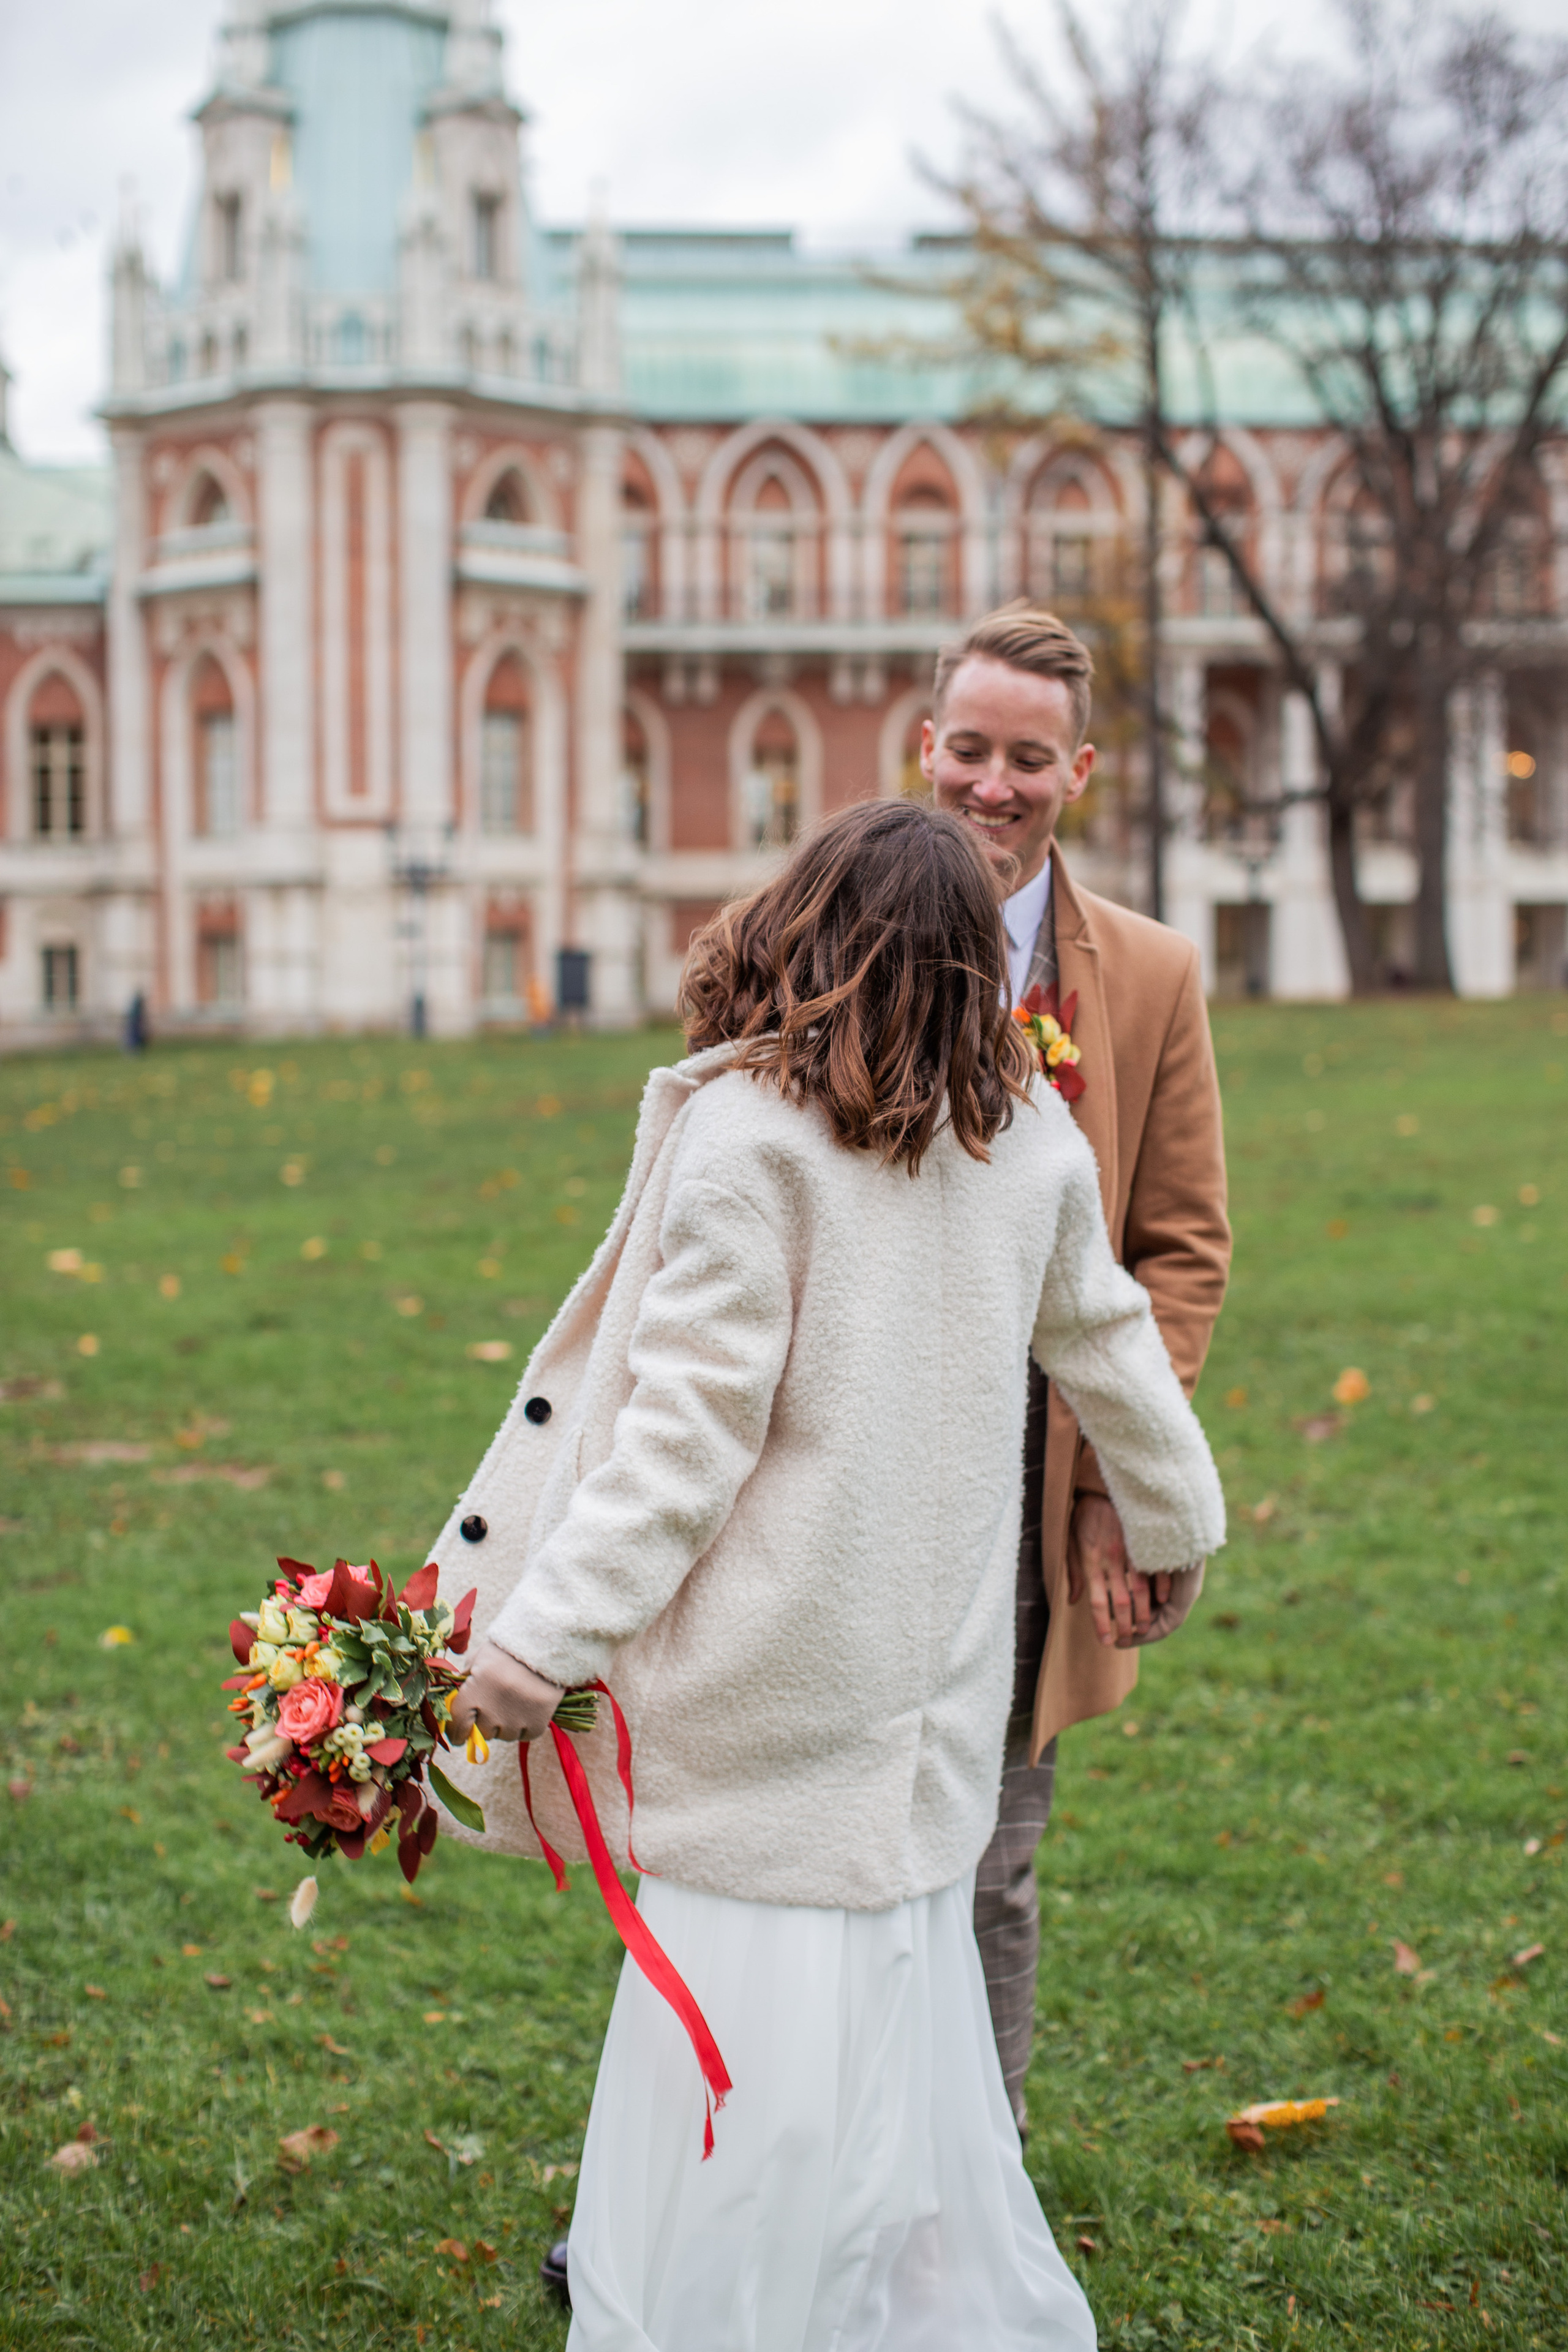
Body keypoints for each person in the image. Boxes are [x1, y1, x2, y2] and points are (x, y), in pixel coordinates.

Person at [440, 797, 1225, 2351]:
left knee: (753, 2077)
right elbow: (1113, 1346)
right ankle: (873, 2302)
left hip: (768, 1694)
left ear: (799, 928)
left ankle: (734, 2312)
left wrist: (537, 1641)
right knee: (889, 2047)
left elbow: (681, 1441)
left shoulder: (755, 1140)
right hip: (918, 1699)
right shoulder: (1027, 1141)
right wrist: (1170, 1518)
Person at [921, 602, 1232, 2133]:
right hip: (851, 1480)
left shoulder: (1152, 975)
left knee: (990, 1866)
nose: (994, 785)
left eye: (1027, 759)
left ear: (1078, 771)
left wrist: (1115, 1484)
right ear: (926, 746)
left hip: (1032, 1494)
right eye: (969, 750)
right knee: (803, 1862)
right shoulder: (827, 929)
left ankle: (970, 2194)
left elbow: (1178, 1246)